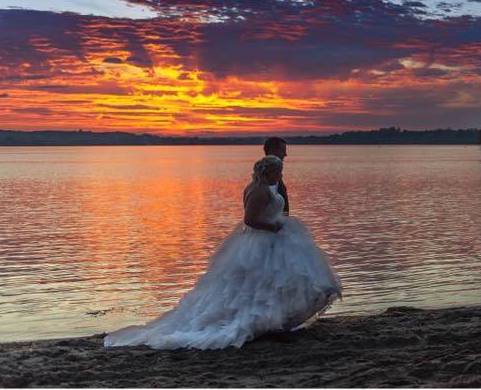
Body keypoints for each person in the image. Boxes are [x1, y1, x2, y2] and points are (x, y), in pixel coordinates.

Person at [103, 155, 341, 350]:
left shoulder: (260, 187)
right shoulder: (258, 191)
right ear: (269, 172)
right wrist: (275, 227)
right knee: (262, 284)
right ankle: (263, 322)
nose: (280, 174)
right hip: (264, 240)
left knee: (265, 284)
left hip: (267, 240)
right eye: (278, 171)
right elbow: (250, 220)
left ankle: (276, 321)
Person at [263, 136, 289, 215]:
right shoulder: (265, 177)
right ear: (272, 150)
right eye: (282, 151)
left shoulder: (275, 174)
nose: (285, 154)